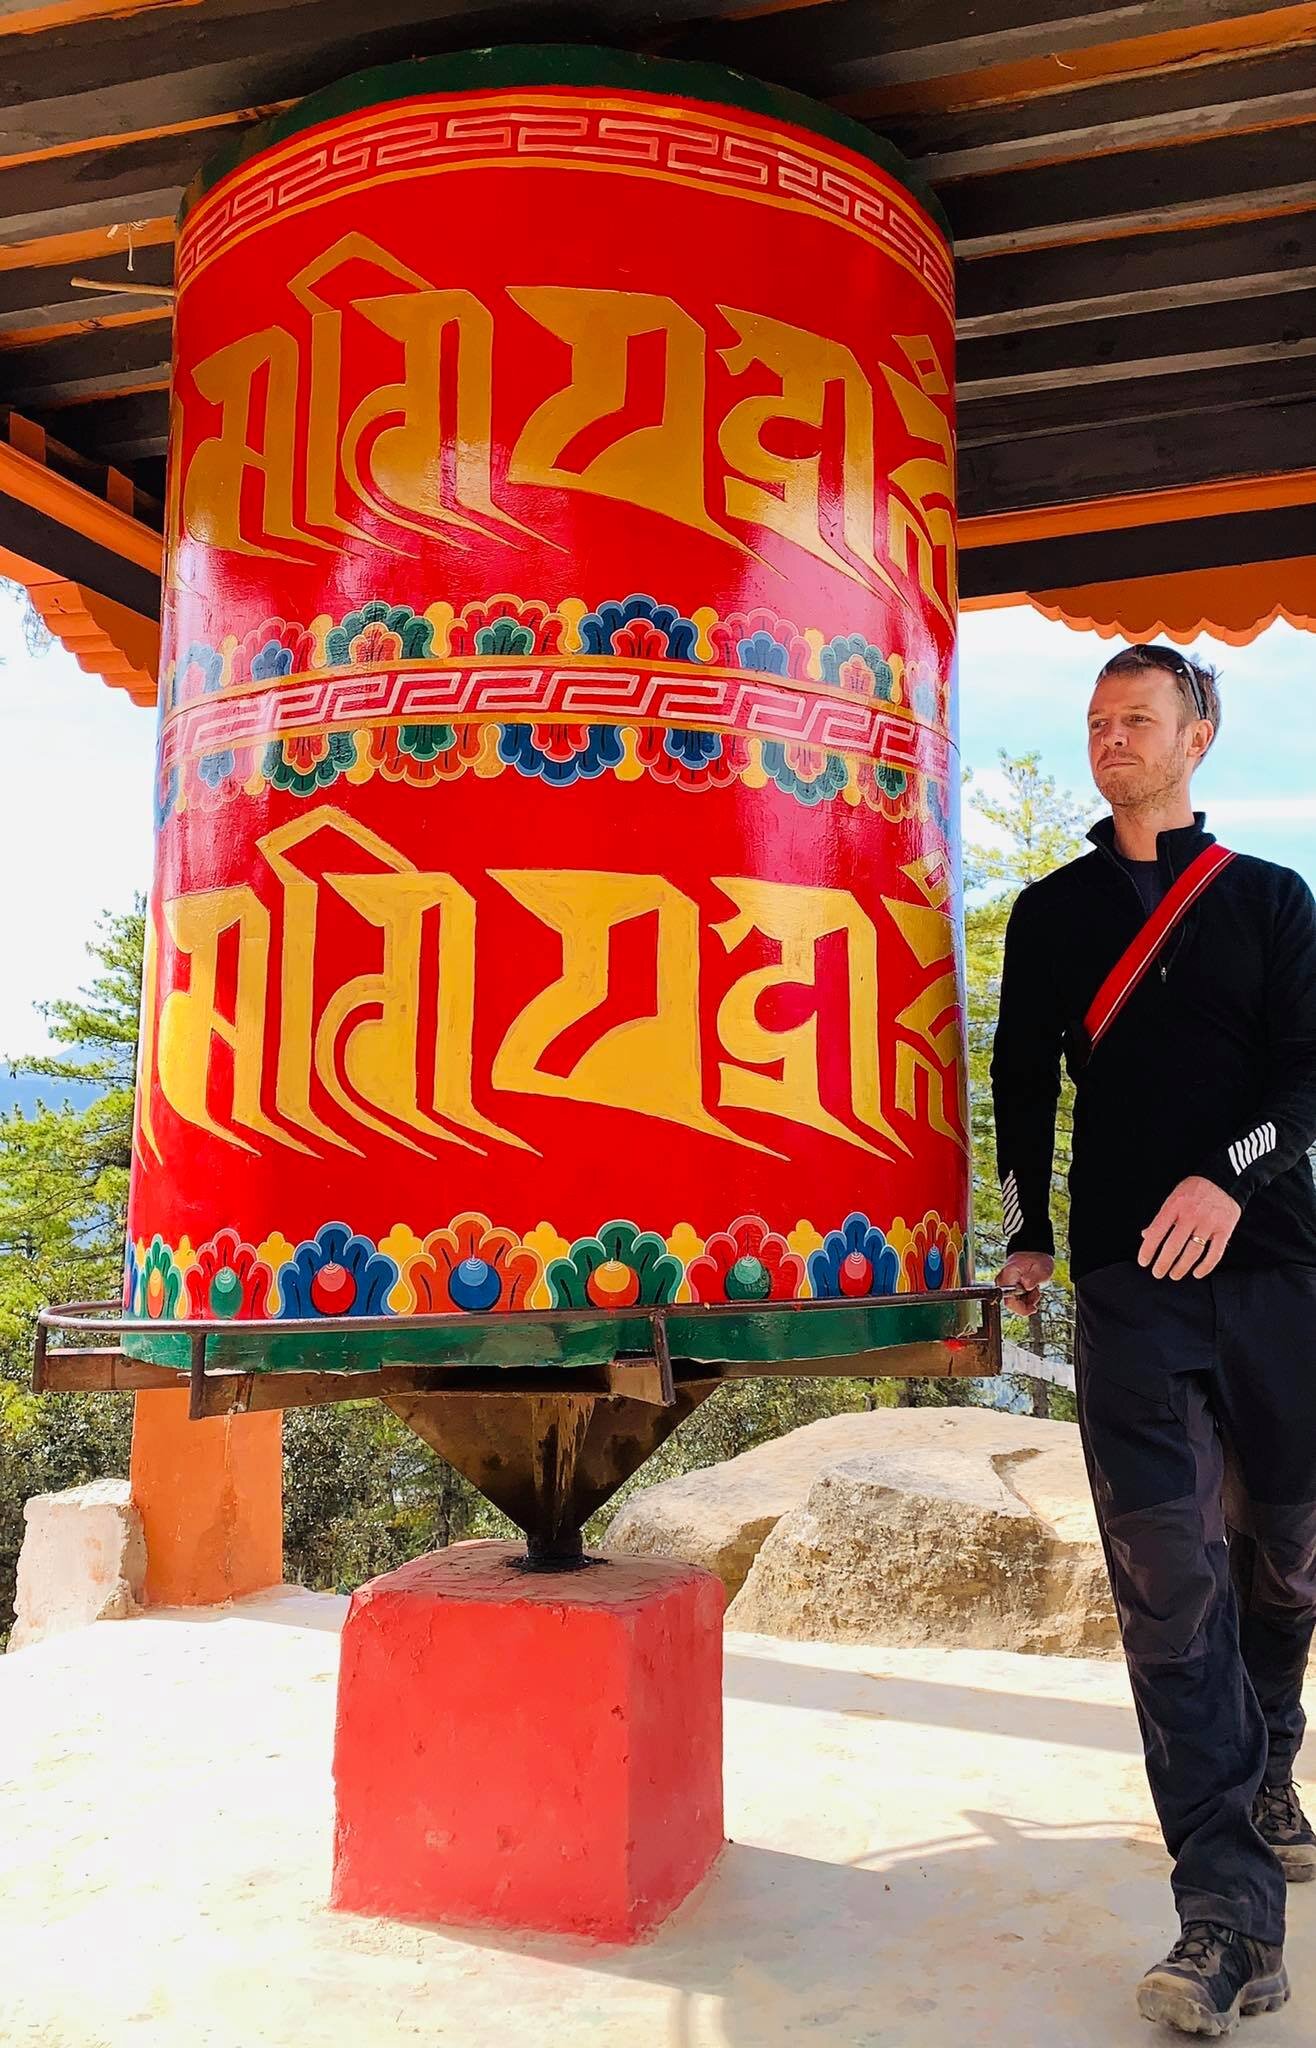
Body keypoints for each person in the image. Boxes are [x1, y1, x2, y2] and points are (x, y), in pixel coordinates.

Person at [991, 642, 1316, 2036]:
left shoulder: (1271, 902)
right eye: (1096, 720)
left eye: (1139, 719)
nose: (1111, 738)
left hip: (1278, 1276)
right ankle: (1228, 1919)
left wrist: (1226, 1173)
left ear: (1200, 736)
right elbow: (1017, 1073)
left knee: (1288, 1557)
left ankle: (1268, 1762)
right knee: (1167, 1586)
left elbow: (1310, 1081)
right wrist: (1026, 1231)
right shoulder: (1052, 912)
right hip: (1131, 1288)